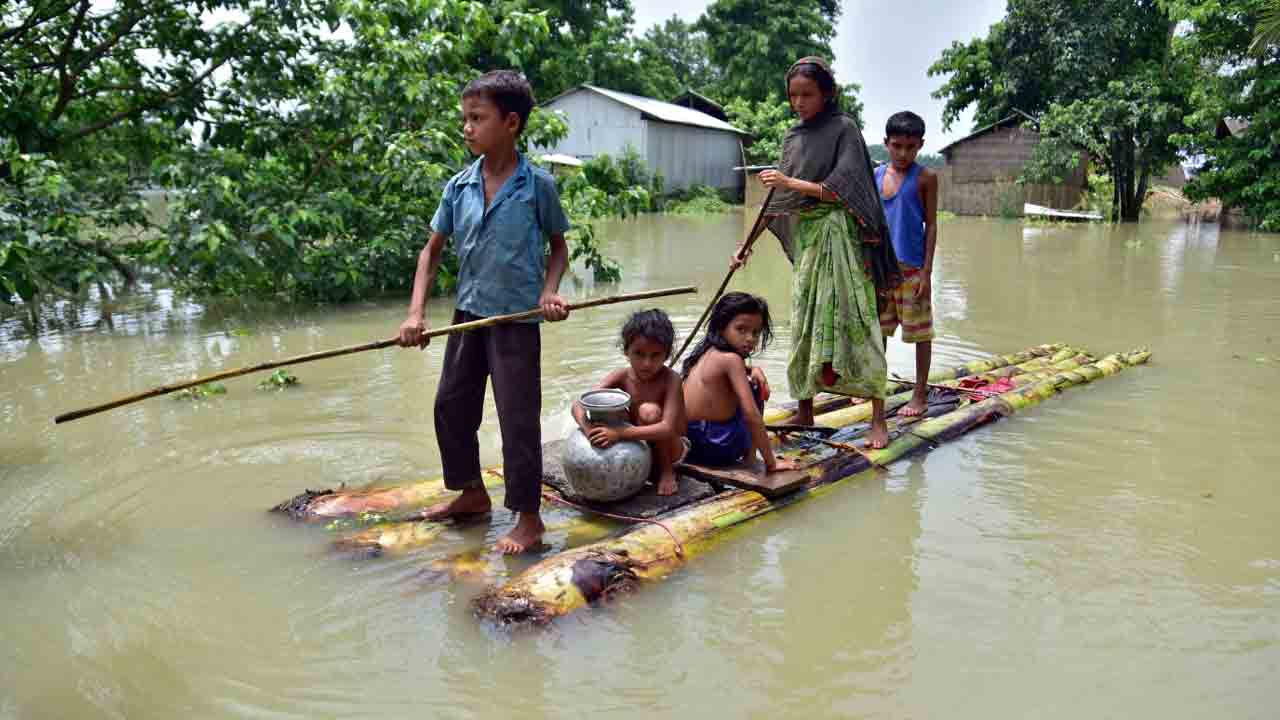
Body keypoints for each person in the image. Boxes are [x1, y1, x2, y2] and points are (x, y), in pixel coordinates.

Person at [396, 70, 571, 554]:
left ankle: (529, 519)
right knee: (450, 406)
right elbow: (431, 252)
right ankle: (472, 494)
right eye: (466, 118)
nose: (467, 128)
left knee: (517, 419)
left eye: (477, 118)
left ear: (511, 123)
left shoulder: (537, 186)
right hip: (468, 317)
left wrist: (550, 293)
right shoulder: (459, 186)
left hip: (515, 322)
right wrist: (415, 315)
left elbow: (558, 249)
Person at [732, 57, 899, 449]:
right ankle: (805, 409)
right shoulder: (793, 137)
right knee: (804, 321)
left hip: (841, 238)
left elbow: (845, 190)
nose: (799, 103)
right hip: (809, 241)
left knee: (858, 321)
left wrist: (790, 181)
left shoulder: (844, 129)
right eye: (793, 95)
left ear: (827, 93)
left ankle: (878, 418)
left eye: (807, 94)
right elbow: (776, 202)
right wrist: (745, 245)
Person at [571, 309, 688, 496]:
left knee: (649, 411)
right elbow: (579, 404)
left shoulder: (671, 379)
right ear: (627, 351)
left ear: (666, 355)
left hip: (671, 450)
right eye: (639, 354)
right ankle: (644, 465)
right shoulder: (621, 376)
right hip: (640, 443)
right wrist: (589, 429)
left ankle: (666, 472)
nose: (646, 363)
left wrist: (618, 433)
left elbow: (667, 428)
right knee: (611, 410)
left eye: (655, 355)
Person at [680, 292, 800, 473]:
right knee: (754, 388)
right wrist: (771, 463)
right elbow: (751, 415)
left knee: (750, 381)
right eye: (741, 329)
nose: (750, 338)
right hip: (714, 448)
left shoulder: (706, 352)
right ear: (722, 327)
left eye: (756, 332)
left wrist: (752, 369)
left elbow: (722, 373)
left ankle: (750, 455)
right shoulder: (732, 360)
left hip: (689, 444)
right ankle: (751, 457)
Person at [876, 111, 939, 417]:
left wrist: (927, 272)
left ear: (920, 145)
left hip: (912, 270)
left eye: (910, 147)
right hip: (881, 271)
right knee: (877, 334)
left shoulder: (926, 178)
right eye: (897, 146)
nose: (903, 153)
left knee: (920, 334)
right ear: (886, 143)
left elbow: (932, 225)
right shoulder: (875, 176)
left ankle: (920, 394)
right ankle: (873, 389)